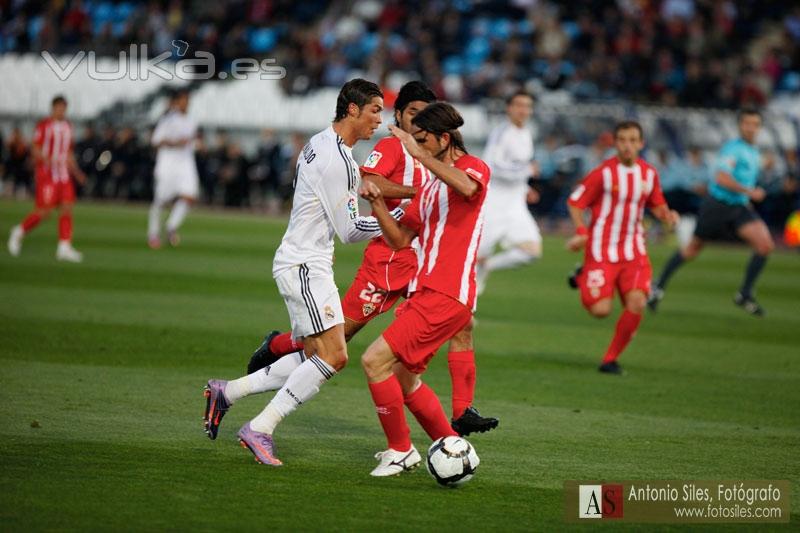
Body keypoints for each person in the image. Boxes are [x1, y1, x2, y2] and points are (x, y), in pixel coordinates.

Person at [246, 82, 499, 436]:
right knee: (334, 342)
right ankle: (279, 344)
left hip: (426, 263)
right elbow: (373, 180)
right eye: (412, 114)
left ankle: (461, 412)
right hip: (389, 262)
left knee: (462, 325)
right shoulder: (395, 147)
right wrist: (411, 191)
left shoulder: (445, 159)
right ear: (400, 116)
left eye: (425, 116)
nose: (417, 123)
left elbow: (463, 189)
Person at [202, 79, 402, 466]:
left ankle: (228, 392)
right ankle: (261, 427)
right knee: (334, 357)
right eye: (375, 110)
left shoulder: (320, 141)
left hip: (305, 262)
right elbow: (348, 231)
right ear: (352, 110)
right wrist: (394, 221)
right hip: (305, 265)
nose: (380, 118)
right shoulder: (338, 159)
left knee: (314, 354)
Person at [359, 102, 492, 476]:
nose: (416, 147)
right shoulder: (431, 188)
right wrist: (379, 204)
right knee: (403, 379)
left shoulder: (472, 168)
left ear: (444, 138)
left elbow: (467, 187)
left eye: (422, 140)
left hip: (446, 293)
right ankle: (453, 445)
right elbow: (401, 239)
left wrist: (417, 154)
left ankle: (400, 450)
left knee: (373, 361)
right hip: (427, 293)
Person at [566, 121, 679, 375]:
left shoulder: (648, 174)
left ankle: (610, 359)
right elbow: (575, 202)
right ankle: (583, 275)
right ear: (616, 143)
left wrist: (667, 215)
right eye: (622, 140)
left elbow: (657, 204)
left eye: (632, 140)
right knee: (600, 311)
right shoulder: (603, 173)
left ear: (641, 143)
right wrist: (582, 232)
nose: (627, 146)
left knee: (637, 302)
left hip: (634, 251)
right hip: (601, 251)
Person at [648, 109, 773, 316]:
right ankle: (657, 287)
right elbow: (721, 178)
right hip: (718, 205)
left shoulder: (753, 151)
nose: (751, 128)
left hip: (739, 206)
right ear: (740, 126)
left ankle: (745, 293)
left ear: (759, 127)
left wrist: (746, 198)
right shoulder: (733, 149)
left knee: (765, 245)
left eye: (755, 124)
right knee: (692, 249)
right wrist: (750, 192)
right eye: (747, 123)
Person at [476, 91, 542, 294]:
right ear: (509, 108)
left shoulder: (527, 133)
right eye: (519, 105)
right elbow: (492, 166)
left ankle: (490, 264)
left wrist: (525, 187)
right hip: (494, 203)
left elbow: (516, 168)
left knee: (532, 251)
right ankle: (465, 307)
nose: (523, 110)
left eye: (527, 106)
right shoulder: (501, 133)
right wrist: (527, 171)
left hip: (515, 205)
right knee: (474, 257)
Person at [8, 95, 87, 261]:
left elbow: (69, 153)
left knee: (67, 207)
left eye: (64, 107)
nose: (62, 110)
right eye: (59, 107)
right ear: (53, 108)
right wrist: (47, 160)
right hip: (47, 175)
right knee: (45, 212)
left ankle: (64, 247)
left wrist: (77, 173)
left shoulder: (68, 126)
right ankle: (19, 231)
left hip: (64, 175)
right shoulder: (44, 126)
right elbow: (35, 148)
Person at [147, 88, 199, 248]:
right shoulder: (168, 120)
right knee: (161, 201)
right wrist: (175, 143)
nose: (186, 104)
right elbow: (155, 141)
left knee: (189, 196)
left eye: (187, 100)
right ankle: (153, 233)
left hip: (185, 164)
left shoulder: (192, 121)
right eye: (183, 100)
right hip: (168, 164)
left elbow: (191, 142)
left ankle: (171, 226)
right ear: (177, 102)